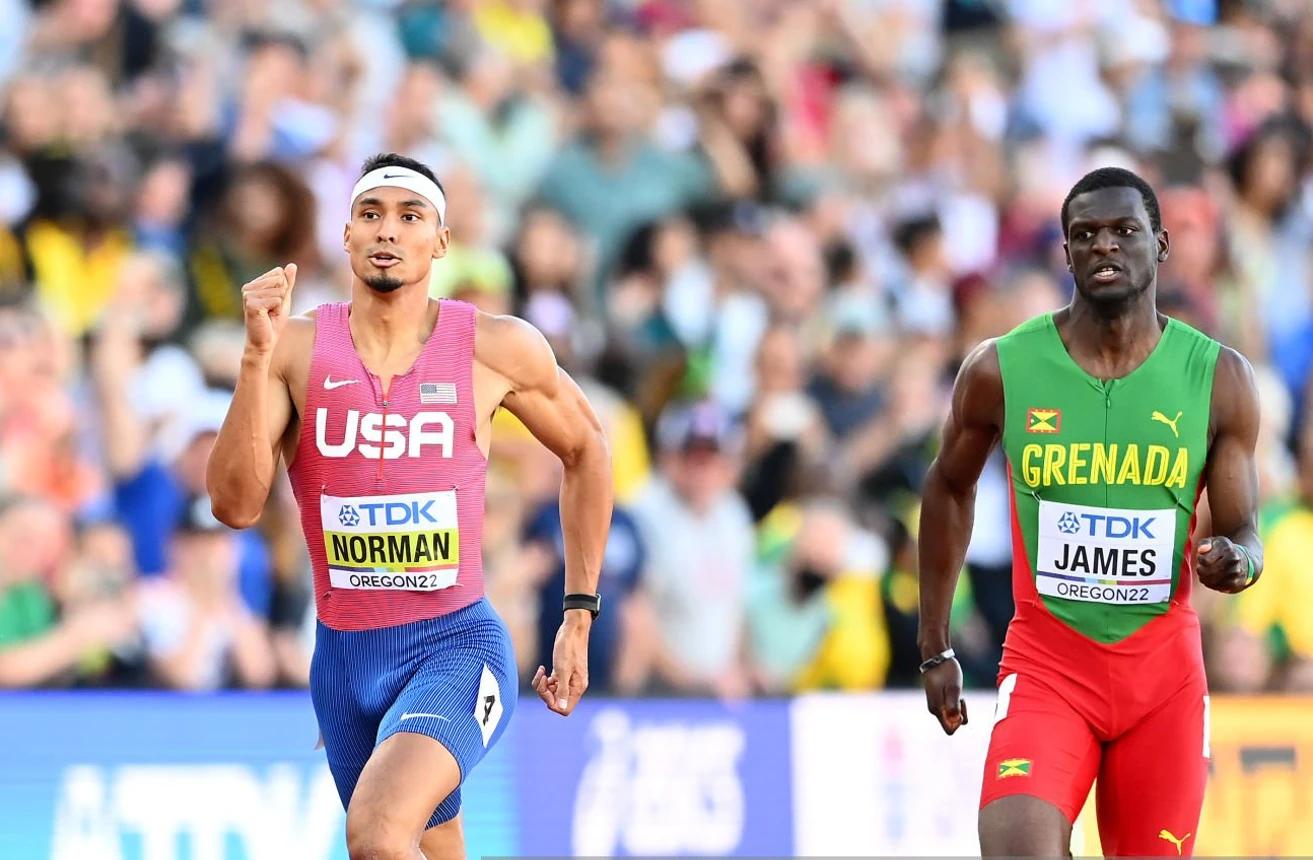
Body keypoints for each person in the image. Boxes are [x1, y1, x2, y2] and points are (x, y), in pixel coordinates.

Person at [205, 152, 613, 860]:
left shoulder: (496, 347)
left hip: (455, 647)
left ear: (441, 241)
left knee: (375, 833)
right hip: (341, 662)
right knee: (431, 846)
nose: (387, 230)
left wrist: (578, 612)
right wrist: (253, 359)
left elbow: (587, 450)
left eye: (408, 215)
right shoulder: (295, 349)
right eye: (370, 215)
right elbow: (235, 506)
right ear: (347, 235)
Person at [917, 166, 1264, 858]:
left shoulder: (1217, 378)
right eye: (1084, 234)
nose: (1103, 246)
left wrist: (1237, 561)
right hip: (1048, 667)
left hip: (1161, 681)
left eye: (1123, 231)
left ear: (1159, 245)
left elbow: (1242, 528)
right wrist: (936, 645)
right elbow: (947, 488)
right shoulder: (999, 369)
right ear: (1065, 251)